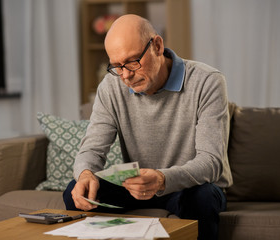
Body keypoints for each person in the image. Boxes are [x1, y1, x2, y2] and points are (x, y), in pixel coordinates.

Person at [63, 14, 233, 240]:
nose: (126, 76)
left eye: (133, 61)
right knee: (75, 191)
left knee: (202, 198)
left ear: (157, 46)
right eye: (117, 66)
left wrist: (162, 178)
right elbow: (92, 149)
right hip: (137, 186)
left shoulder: (207, 81)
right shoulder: (112, 87)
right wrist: (85, 174)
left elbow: (211, 162)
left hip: (190, 186)